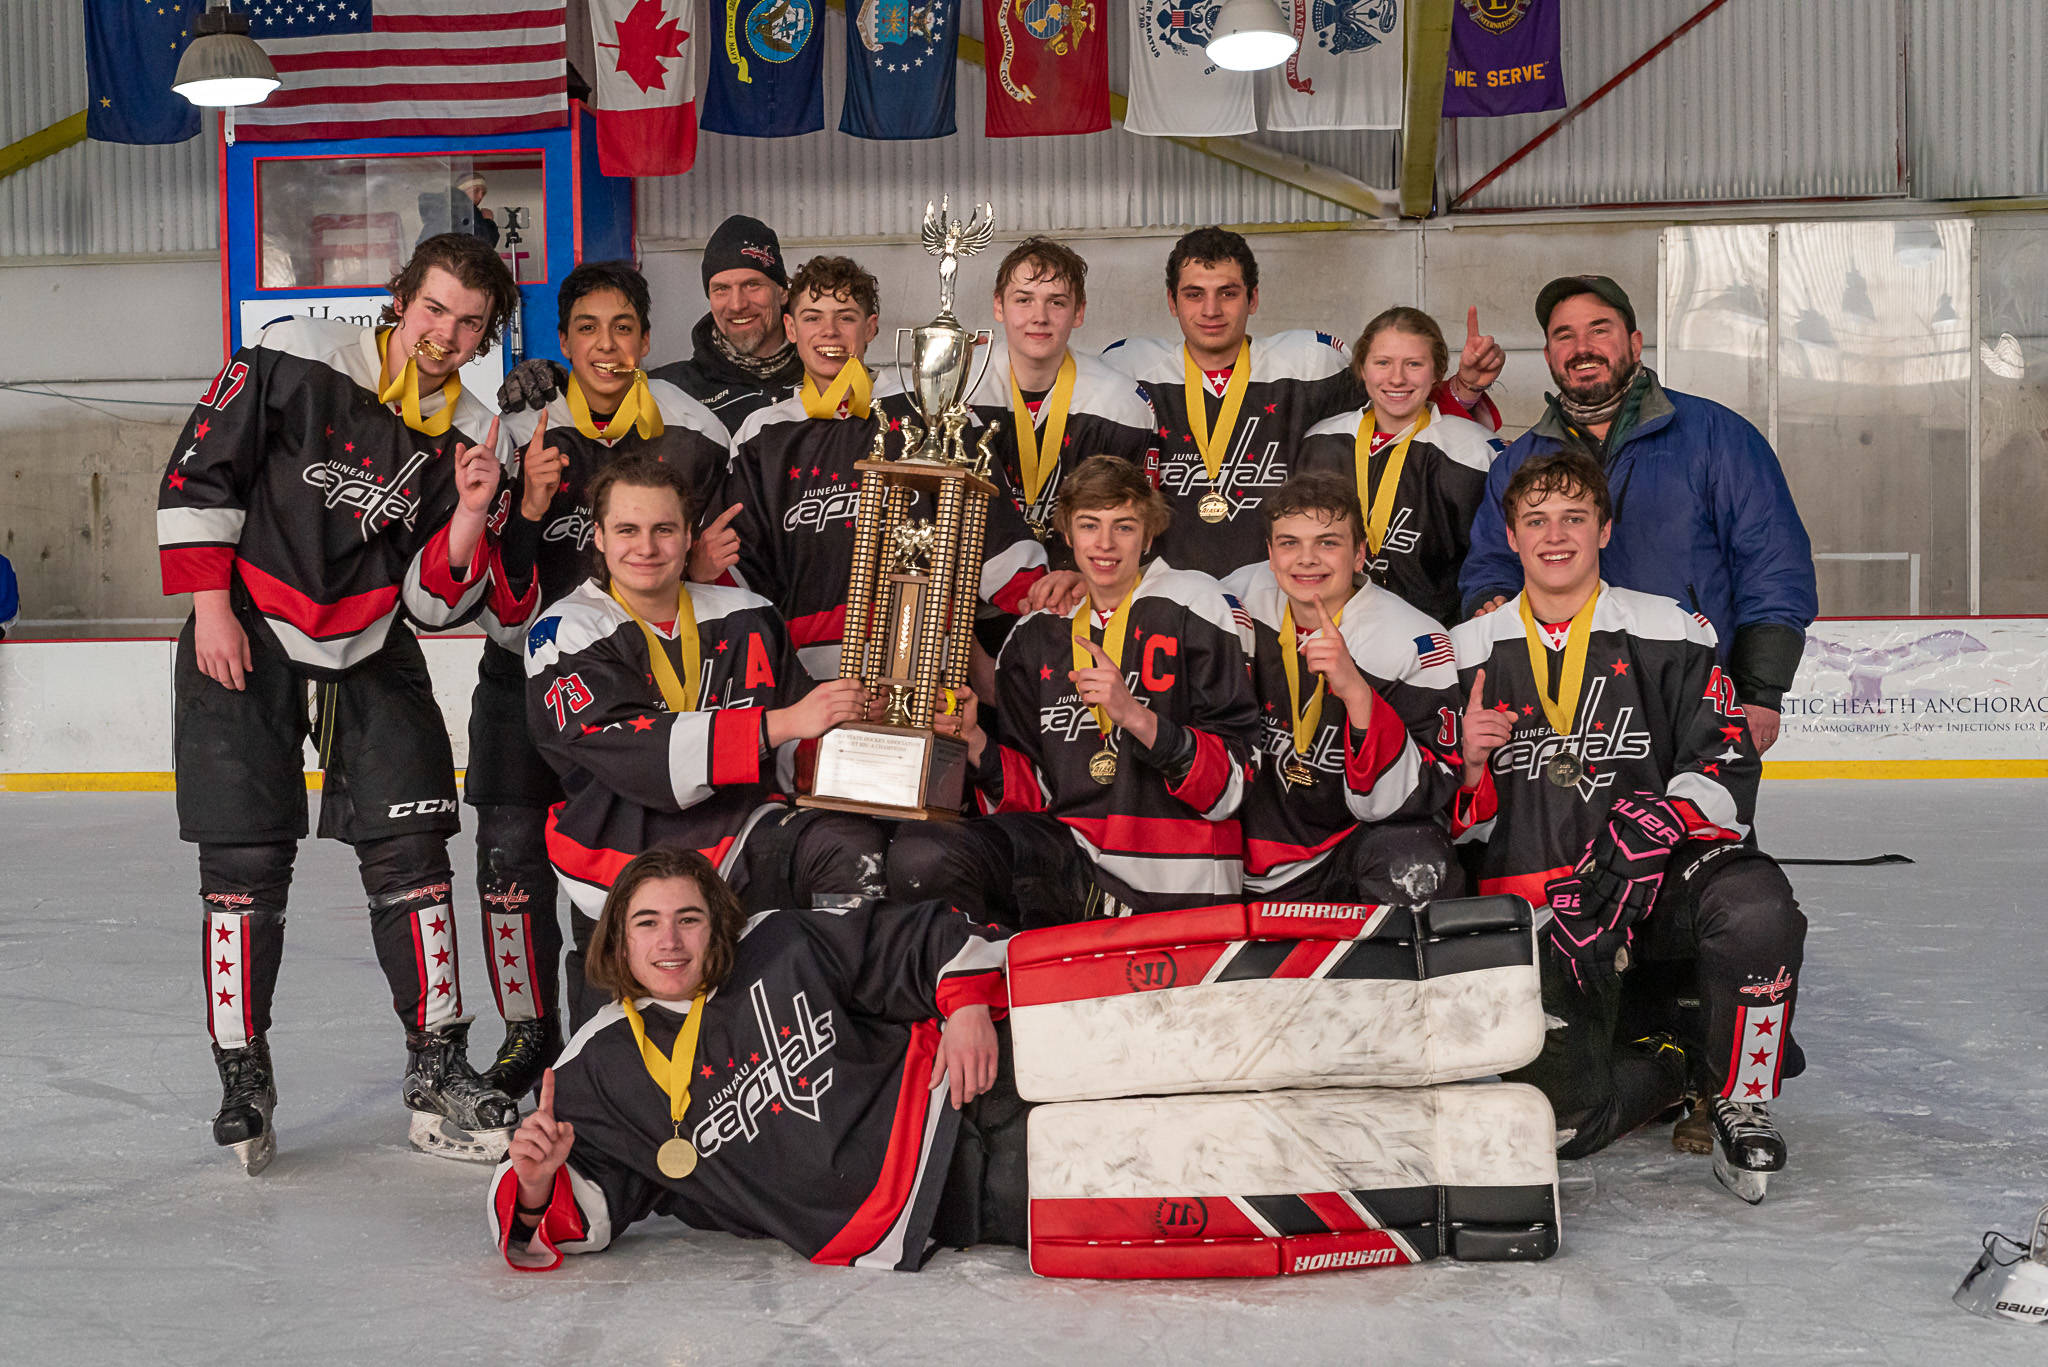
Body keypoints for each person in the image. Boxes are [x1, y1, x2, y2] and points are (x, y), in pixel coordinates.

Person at [157, 233, 532, 1172]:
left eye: (470, 323)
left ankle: (436, 1064)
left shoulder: (474, 434)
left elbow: (433, 602)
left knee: (414, 853)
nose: (445, 334)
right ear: (401, 299)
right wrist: (212, 608)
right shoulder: (297, 350)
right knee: (242, 859)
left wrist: (472, 510)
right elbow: (203, 468)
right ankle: (243, 1072)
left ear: (486, 334)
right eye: (434, 308)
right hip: (246, 621)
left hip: (371, 640)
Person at [1447, 448, 1805, 1201]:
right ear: (1510, 537)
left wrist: (1663, 819)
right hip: (1545, 918)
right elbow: (1428, 810)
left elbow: (1726, 760)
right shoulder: (1461, 651)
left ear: (1605, 529)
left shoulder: (1669, 628)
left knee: (1755, 906)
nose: (1555, 535)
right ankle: (1679, 1058)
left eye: (1574, 518)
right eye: (1536, 520)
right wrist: (1468, 768)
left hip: (1652, 894)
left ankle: (1741, 1092)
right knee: (1563, 1125)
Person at [490, 847, 1023, 1271]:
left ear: (717, 923)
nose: (669, 941)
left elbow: (910, 937)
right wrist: (535, 1186)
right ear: (619, 939)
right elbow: (567, 1213)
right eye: (647, 923)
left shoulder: (778, 941)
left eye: (689, 919)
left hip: (962, 1078)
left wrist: (968, 1005)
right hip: (934, 1197)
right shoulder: (597, 1065)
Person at [465, 261, 734, 1098]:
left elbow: (726, 572)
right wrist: (530, 507)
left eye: (623, 328)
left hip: (637, 692)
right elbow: (486, 582)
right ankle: (526, 1030)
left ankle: (619, 1025)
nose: (606, 346)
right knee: (509, 864)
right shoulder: (521, 425)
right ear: (565, 340)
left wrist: (704, 571)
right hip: (521, 680)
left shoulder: (695, 432)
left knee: (627, 867)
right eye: (587, 328)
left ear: (647, 340)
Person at [523, 456, 885, 1028]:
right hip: (622, 856)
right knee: (615, 1045)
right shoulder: (564, 631)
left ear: (690, 536)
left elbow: (803, 746)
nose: (647, 547)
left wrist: (864, 725)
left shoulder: (748, 614)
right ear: (599, 537)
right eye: (627, 530)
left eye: (664, 529)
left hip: (740, 835)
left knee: (846, 846)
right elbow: (639, 758)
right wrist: (781, 723)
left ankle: (847, 1020)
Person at [888, 455, 1262, 925]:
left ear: (1149, 535)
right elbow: (1036, 797)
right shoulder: (1034, 635)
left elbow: (1230, 787)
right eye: (1089, 525)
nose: (1104, 544)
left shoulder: (1200, 603)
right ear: (1067, 534)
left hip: (1174, 883)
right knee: (922, 855)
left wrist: (1136, 717)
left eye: (1123, 527)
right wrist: (976, 742)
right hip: (1072, 867)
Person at [1458, 275, 1817, 752]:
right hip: (1559, 711)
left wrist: (1759, 691)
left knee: (1695, 804)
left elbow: (1773, 565)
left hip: (1692, 698)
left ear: (1634, 342)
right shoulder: (1518, 461)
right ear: (1547, 355)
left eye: (1599, 330)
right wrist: (1489, 599)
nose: (1582, 348)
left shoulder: (1718, 436)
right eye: (1564, 336)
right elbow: (1490, 563)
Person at [716, 254, 1056, 677]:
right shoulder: (761, 433)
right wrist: (703, 569)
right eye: (812, 317)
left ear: (871, 327)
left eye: (846, 317)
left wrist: (1038, 590)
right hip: (806, 677)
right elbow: (742, 562)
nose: (828, 331)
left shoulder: (928, 405)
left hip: (924, 665)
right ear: (790, 328)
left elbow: (986, 520)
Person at [1100, 227, 1505, 581]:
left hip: (1285, 591)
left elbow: (1399, 409)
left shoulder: (1309, 366)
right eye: (1194, 295)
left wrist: (1465, 386)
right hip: (1167, 593)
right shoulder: (1131, 371)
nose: (1211, 309)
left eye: (1228, 293)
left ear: (1253, 298)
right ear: (1172, 302)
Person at [1220, 473, 1465, 905]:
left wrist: (1357, 693)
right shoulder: (1235, 597)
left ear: (1359, 555)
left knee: (1415, 856)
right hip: (1237, 842)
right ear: (1270, 554)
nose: (1307, 559)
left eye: (1327, 543)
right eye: (1290, 543)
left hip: (1344, 849)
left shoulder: (1415, 641)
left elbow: (1428, 790)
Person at [1295, 308, 1504, 627]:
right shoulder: (1320, 442)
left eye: (1414, 364)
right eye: (1382, 362)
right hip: (1329, 630)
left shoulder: (1474, 453)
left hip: (1434, 641)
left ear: (1437, 371)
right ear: (1362, 368)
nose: (1397, 378)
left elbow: (1490, 560)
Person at [963, 236, 1158, 566]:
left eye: (1056, 302)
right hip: (973, 585)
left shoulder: (1119, 404)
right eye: (1023, 300)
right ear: (998, 306)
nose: (1039, 316)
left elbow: (1131, 529)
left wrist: (1078, 576)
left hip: (1077, 585)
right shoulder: (959, 387)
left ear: (1078, 311)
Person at [648, 214, 806, 430]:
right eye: (722, 289)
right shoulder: (670, 391)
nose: (737, 305)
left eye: (752, 284)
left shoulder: (828, 378)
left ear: (782, 292)